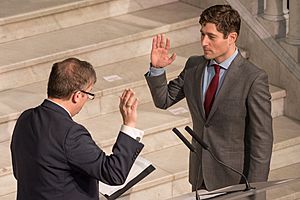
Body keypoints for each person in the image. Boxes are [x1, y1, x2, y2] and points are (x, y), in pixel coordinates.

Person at [145, 4, 273, 191]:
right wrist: (157, 68)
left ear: (232, 38)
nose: (204, 42)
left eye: (211, 36)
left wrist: (254, 190)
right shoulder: (193, 65)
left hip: (235, 181)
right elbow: (163, 100)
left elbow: (262, 141)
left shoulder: (253, 78)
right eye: (202, 34)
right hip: (200, 176)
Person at [11, 58, 144, 200]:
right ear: (77, 95)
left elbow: (19, 172)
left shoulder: (25, 118)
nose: (87, 99)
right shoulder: (71, 134)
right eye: (88, 94)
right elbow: (114, 173)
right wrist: (129, 124)